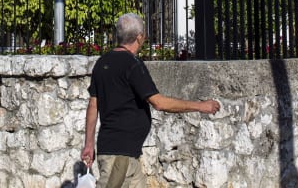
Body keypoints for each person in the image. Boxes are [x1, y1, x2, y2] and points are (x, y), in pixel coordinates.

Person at [81, 13, 221, 187]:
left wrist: (88, 143)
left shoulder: (102, 63)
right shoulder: (132, 64)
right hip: (119, 155)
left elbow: (93, 105)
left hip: (125, 154)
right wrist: (200, 106)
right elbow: (159, 102)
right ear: (140, 37)